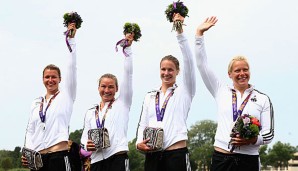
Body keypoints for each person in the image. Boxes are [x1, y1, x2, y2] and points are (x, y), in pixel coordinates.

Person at [195, 16, 274, 171]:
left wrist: (252, 140)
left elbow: (269, 134)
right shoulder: (220, 90)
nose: (242, 73)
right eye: (237, 70)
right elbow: (202, 65)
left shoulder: (263, 99)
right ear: (229, 74)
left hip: (248, 160)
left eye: (245, 69)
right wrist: (199, 35)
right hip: (221, 157)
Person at [136, 13, 196, 171]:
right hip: (153, 156)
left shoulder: (185, 91)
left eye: (171, 69)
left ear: (178, 71)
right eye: (163, 69)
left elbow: (189, 61)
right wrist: (138, 142)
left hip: (176, 155)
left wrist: (180, 32)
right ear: (159, 70)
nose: (166, 73)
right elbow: (143, 123)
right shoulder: (150, 96)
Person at [21, 23, 78, 171]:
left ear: (60, 79)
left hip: (59, 156)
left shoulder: (66, 95)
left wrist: (71, 42)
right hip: (38, 160)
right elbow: (30, 130)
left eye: (54, 77)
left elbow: (72, 68)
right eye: (47, 77)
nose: (50, 80)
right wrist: (28, 151)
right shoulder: (36, 102)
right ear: (42, 79)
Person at [80, 33, 134, 171]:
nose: (107, 90)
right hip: (97, 160)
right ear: (98, 88)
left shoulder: (122, 103)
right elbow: (84, 138)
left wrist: (127, 51)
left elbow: (128, 75)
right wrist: (87, 145)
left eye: (111, 87)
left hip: (117, 158)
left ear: (117, 89)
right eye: (103, 86)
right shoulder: (91, 112)